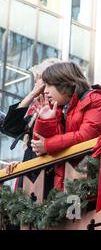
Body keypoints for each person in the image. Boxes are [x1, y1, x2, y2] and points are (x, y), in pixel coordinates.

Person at [11, 62, 101, 190]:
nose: (45, 91)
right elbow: (38, 146)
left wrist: (48, 144)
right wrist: (45, 120)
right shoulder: (59, 108)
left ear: (65, 83)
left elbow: (86, 137)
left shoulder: (94, 99)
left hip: (89, 181)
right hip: (65, 185)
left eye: (49, 85)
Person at [2, 58, 60, 189]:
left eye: (41, 82)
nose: (38, 87)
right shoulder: (36, 109)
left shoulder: (59, 108)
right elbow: (10, 126)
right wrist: (32, 94)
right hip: (30, 169)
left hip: (46, 173)